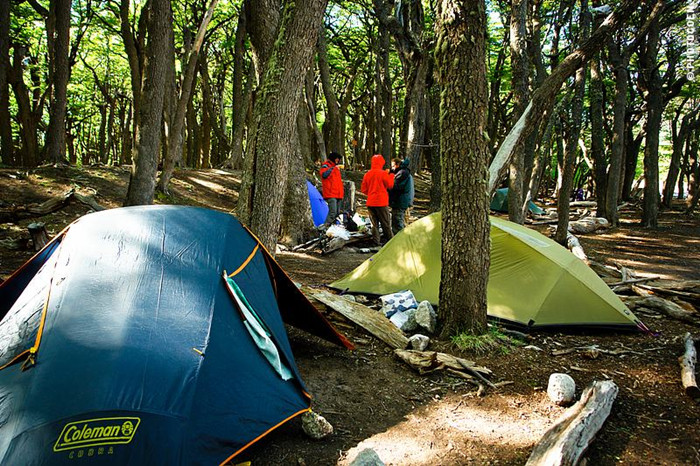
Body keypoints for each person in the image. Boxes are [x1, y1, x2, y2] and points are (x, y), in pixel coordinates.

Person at [361, 154, 395, 245]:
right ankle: (391, 242)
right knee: (386, 223)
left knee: (374, 224)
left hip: (371, 202)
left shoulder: (367, 174)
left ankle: (376, 242)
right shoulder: (383, 173)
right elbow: (390, 185)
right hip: (381, 202)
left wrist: (372, 193)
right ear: (381, 163)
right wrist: (391, 175)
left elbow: (364, 190)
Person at [389, 157, 414, 233]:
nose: (392, 168)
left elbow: (397, 187)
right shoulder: (403, 172)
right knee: (398, 221)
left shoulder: (402, 173)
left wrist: (388, 184)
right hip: (400, 201)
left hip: (400, 202)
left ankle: (400, 241)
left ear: (398, 164)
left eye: (393, 166)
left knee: (398, 223)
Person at [319, 152, 344, 230]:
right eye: (337, 159)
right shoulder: (326, 165)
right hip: (331, 193)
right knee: (332, 212)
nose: (338, 160)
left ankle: (331, 230)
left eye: (339, 159)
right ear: (333, 158)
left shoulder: (336, 167)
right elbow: (324, 175)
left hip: (338, 194)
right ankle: (324, 229)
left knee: (336, 213)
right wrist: (333, 169)